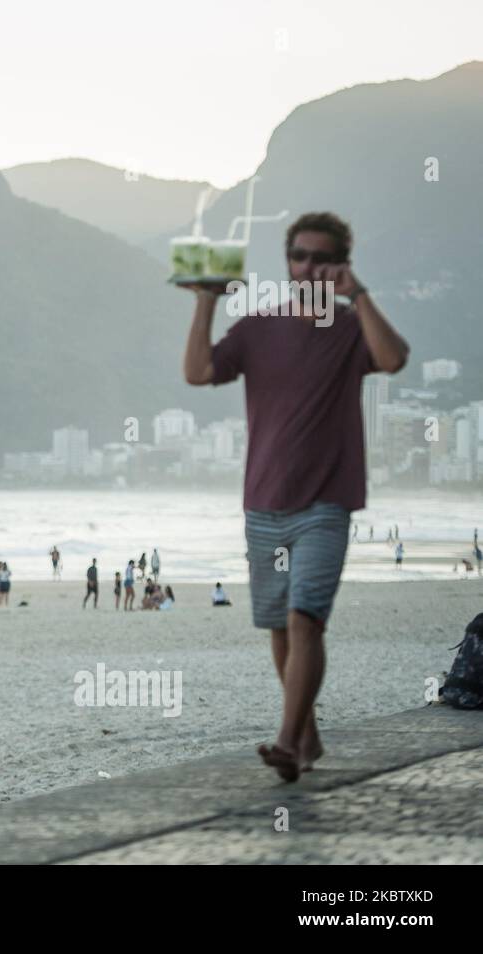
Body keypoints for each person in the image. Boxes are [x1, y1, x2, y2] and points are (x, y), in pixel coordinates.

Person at [183, 210, 409, 782]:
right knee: (281, 629)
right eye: (299, 255)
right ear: (287, 261)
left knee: (306, 619)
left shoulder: (351, 328)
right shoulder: (258, 328)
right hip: (262, 503)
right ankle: (307, 740)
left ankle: (286, 740)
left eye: (322, 256)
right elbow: (198, 371)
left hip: (326, 503)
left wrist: (357, 296)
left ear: (340, 262)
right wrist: (206, 300)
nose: (309, 266)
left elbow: (394, 358)